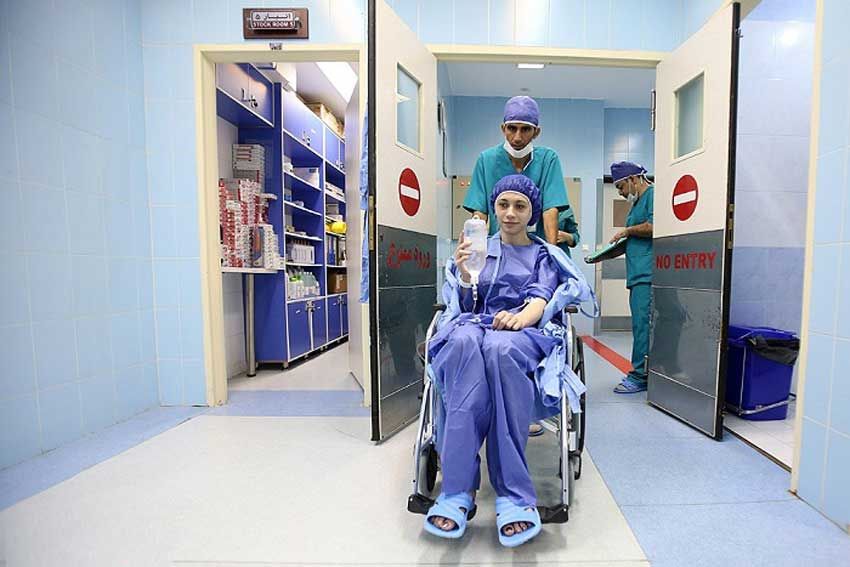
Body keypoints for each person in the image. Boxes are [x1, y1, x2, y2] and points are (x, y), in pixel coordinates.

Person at [424, 175, 560, 547]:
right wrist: (463, 274)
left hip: (520, 332)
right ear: (493, 209)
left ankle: (513, 495)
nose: (510, 213)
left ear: (532, 212)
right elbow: (465, 305)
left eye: (520, 206)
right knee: (463, 341)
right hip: (476, 325)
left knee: (501, 348)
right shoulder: (478, 248)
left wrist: (520, 319)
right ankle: (457, 491)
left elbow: (540, 299)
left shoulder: (542, 256)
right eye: (503, 205)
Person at [462, 95, 578, 436]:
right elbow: (479, 213)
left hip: (532, 257)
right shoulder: (487, 160)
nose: (517, 136)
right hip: (495, 257)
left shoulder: (548, 160)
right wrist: (473, 255)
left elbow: (550, 210)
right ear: (503, 128)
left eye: (525, 129)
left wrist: (550, 259)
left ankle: (523, 402)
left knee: (526, 327)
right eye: (511, 128)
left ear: (536, 132)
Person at [608, 161, 654, 394]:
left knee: (642, 325)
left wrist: (627, 231)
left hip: (647, 273)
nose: (620, 192)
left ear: (634, 179)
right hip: (638, 273)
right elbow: (636, 238)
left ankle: (639, 376)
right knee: (641, 324)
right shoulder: (637, 204)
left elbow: (655, 226)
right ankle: (648, 371)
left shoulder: (652, 195)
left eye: (621, 186)